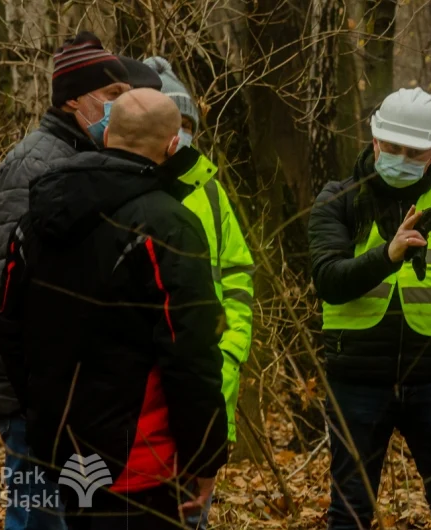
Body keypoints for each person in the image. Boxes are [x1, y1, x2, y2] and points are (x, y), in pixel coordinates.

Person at [0, 88, 228, 529]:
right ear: (174, 145)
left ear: (106, 135)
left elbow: (8, 326)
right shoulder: (170, 224)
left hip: (60, 449)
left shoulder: (35, 217)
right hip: (140, 461)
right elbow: (191, 351)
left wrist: (44, 411)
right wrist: (204, 457)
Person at [309, 87, 431, 530]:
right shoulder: (339, 199)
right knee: (350, 510)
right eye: (391, 147)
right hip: (356, 380)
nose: (399, 157)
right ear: (374, 140)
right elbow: (329, 282)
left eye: (413, 151)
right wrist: (386, 256)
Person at [0, 31, 132, 530]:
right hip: (37, 398)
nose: (121, 107)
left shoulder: (88, 158)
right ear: (74, 99)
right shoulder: (33, 164)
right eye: (111, 96)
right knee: (37, 519)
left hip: (76, 395)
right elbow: (12, 293)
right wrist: (39, 393)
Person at [142, 55, 256, 529]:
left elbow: (237, 281)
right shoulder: (124, 189)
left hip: (205, 386)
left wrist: (226, 353)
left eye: (188, 121)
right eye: (174, 120)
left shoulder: (211, 191)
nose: (182, 131)